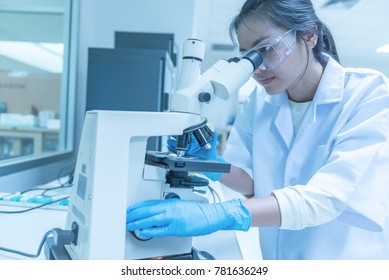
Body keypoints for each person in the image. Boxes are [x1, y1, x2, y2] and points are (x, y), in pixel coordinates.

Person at [126, 0, 389, 259]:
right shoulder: (259, 101)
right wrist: (213, 165)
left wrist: (224, 214)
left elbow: (328, 198)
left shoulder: (367, 93)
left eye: (267, 48)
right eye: (248, 56)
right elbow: (254, 184)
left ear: (309, 35)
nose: (257, 68)